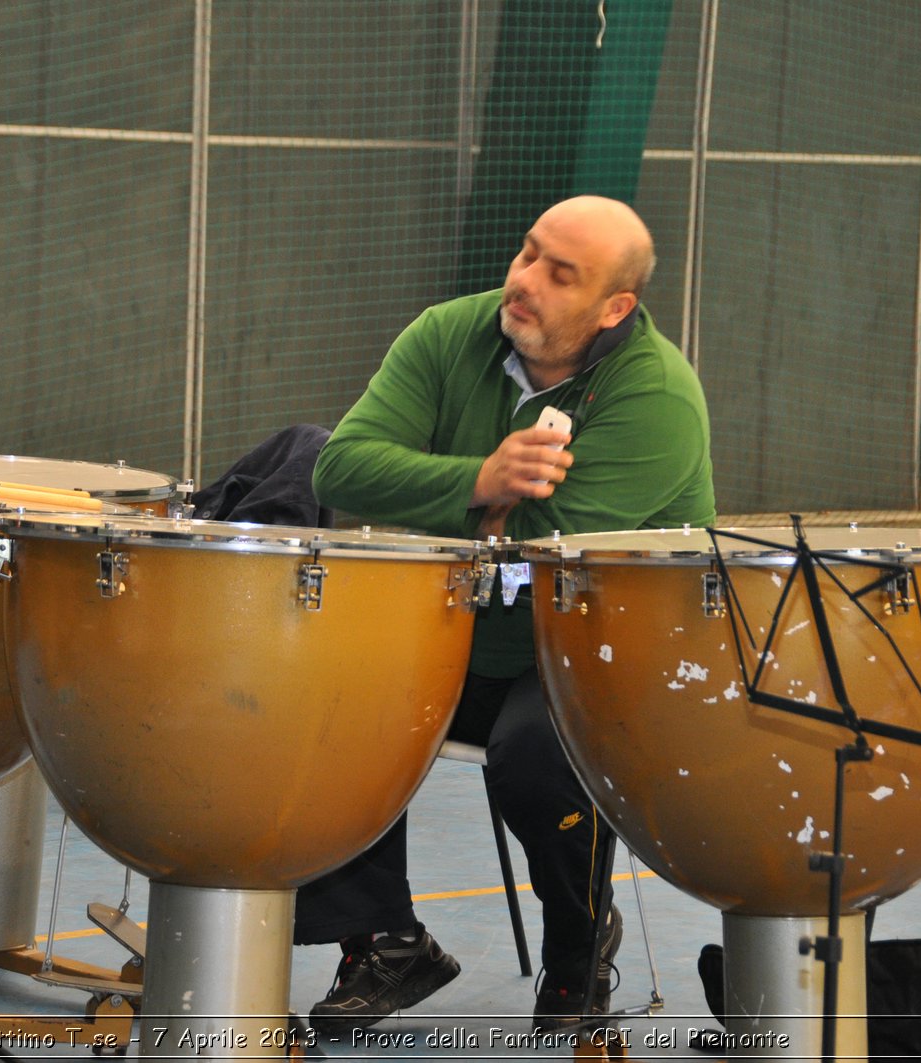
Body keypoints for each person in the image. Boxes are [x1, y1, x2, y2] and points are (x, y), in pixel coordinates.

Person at [293, 195, 715, 1034]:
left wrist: (472, 511)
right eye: (528, 254)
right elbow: (339, 471)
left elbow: (540, 546)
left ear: (614, 308)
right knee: (327, 703)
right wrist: (479, 485)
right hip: (457, 631)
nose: (525, 281)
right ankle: (385, 939)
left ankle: (579, 941)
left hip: (601, 653)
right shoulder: (451, 332)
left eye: (562, 274)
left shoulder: (657, 397)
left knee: (530, 754)